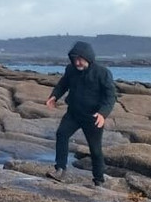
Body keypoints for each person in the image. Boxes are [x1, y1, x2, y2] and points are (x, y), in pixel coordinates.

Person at [45, 41, 117, 187]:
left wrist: (103, 114)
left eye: (80, 59)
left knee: (95, 149)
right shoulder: (70, 70)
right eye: (74, 59)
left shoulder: (102, 73)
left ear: (88, 58)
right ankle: (60, 169)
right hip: (74, 113)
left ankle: (99, 179)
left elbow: (110, 97)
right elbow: (63, 84)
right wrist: (54, 96)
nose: (77, 62)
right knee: (61, 134)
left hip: (93, 117)